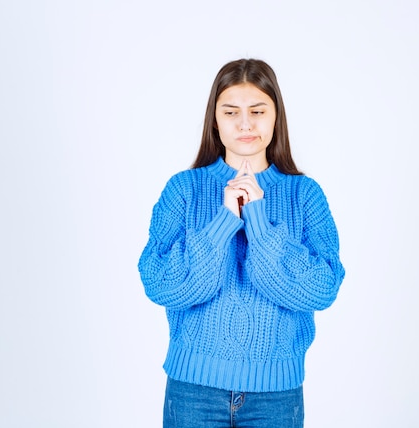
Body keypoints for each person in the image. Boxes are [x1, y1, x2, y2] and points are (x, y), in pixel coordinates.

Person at [138, 58, 345, 427]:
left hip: (276, 397)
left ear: (275, 117)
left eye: (258, 110)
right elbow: (161, 284)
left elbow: (322, 290)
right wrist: (223, 223)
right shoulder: (184, 189)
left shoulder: (304, 194)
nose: (245, 123)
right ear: (214, 120)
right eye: (231, 111)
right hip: (193, 391)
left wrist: (260, 223)